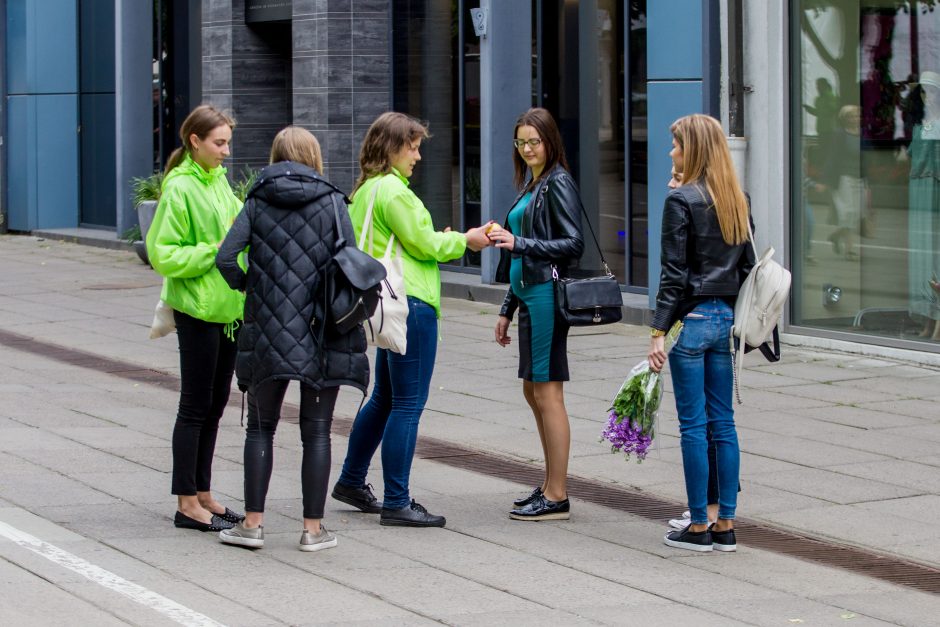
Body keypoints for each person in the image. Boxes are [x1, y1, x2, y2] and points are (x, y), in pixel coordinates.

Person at [331, 112, 492, 527]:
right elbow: (425, 244)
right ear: (393, 147)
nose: (418, 155)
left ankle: (351, 480)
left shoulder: (366, 190)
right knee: (407, 404)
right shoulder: (395, 193)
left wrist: (439, 239)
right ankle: (397, 501)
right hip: (411, 304)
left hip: (382, 304)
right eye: (413, 146)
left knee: (384, 398)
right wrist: (466, 239)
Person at [214, 126, 369, 551]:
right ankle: (312, 530)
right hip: (323, 331)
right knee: (316, 432)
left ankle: (252, 525)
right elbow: (350, 265)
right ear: (314, 157)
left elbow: (225, 256)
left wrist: (250, 285)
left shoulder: (257, 201)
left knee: (260, 429)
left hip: (266, 329)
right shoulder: (334, 201)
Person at [648, 114, 754, 552]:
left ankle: (696, 526)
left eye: (676, 145)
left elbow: (673, 275)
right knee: (723, 424)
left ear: (692, 149)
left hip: (690, 323)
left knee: (692, 426)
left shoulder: (682, 202)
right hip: (725, 320)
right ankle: (725, 524)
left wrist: (657, 329)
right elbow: (747, 266)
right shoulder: (736, 198)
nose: (671, 152)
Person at [146, 105, 246, 532]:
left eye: (227, 143)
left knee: (216, 403)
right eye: (219, 143)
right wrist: (216, 250)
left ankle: (203, 492)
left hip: (227, 310)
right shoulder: (180, 186)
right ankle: (186, 502)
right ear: (195, 142)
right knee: (195, 404)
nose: (226, 151)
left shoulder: (220, 183)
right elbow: (162, 253)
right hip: (198, 309)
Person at [489, 107, 584, 521]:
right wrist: (507, 308)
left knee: (547, 393)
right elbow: (520, 250)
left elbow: (572, 243)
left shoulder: (558, 181)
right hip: (528, 297)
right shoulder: (535, 181)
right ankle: (549, 484)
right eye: (521, 142)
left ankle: (558, 494)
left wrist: (519, 243)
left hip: (546, 297)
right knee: (533, 392)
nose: (527, 148)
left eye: (534, 141)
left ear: (549, 141)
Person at [905, 71, 940, 339]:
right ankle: (927, 318)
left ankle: (935, 319)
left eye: (933, 91)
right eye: (926, 91)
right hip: (918, 189)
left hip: (934, 188)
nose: (929, 96)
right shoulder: (920, 125)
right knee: (921, 255)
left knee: (935, 253)